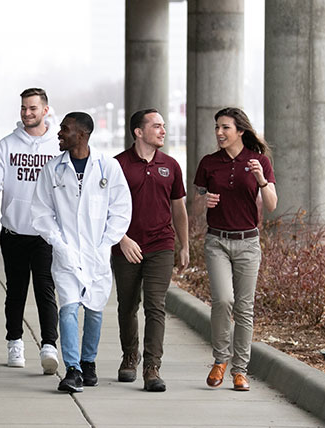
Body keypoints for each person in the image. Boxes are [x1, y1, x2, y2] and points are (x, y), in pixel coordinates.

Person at [31, 112, 131, 393]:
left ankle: (89, 363)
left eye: (65, 129)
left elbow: (121, 211)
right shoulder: (53, 169)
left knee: (95, 310)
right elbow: (41, 212)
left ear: (83, 134)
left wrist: (105, 243)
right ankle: (72, 369)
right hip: (66, 253)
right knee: (68, 309)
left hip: (97, 253)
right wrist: (58, 243)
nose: (59, 133)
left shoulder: (107, 168)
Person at [194, 107, 277, 392]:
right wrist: (203, 202)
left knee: (244, 308)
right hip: (217, 241)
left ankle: (240, 370)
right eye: (217, 127)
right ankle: (220, 360)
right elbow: (195, 202)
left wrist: (261, 180)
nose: (219, 132)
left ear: (240, 131)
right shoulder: (208, 163)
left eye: (225, 127)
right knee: (222, 300)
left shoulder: (259, 161)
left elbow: (272, 204)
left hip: (248, 243)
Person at [0, 88, 60, 373]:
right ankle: (15, 342)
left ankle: (49, 345)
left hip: (45, 235)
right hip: (14, 232)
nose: (27, 113)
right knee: (15, 291)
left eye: (33, 108)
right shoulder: (7, 145)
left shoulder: (56, 146)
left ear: (45, 110)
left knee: (45, 289)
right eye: (24, 108)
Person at [112, 109, 189, 392]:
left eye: (164, 126)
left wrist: (184, 246)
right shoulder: (117, 165)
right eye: (157, 126)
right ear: (139, 131)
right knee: (128, 305)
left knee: (155, 305)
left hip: (161, 245)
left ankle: (151, 367)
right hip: (126, 246)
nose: (163, 131)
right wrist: (121, 239)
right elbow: (103, 208)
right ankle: (130, 356)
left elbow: (178, 208)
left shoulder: (170, 165)